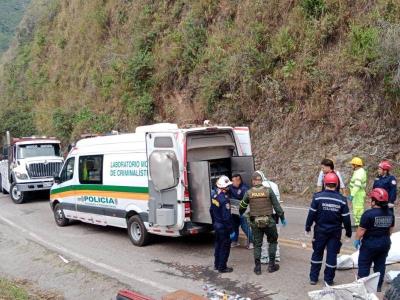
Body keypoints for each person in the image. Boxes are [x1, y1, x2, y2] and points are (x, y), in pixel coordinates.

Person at [305, 172, 352, 285]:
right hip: (335, 232)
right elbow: (346, 218)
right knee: (332, 255)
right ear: (336, 184)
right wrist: (348, 233)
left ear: (324, 183)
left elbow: (311, 214)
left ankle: (313, 278)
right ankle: (329, 280)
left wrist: (307, 227)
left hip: (320, 231)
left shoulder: (317, 197)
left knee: (317, 253)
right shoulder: (342, 200)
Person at [239, 171, 286, 275]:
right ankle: (271, 266)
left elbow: (242, 206)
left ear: (252, 182)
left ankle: (257, 267)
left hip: (255, 222)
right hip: (269, 221)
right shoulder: (268, 191)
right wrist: (282, 218)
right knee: (272, 242)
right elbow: (277, 206)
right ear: (261, 181)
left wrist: (241, 213)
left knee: (257, 245)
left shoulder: (249, 192)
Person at [354, 188, 395, 292]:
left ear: (374, 201)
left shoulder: (368, 214)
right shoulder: (390, 213)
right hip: (385, 243)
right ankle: (377, 287)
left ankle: (362, 287)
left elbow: (361, 230)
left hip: (370, 244)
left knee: (364, 264)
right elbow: (390, 229)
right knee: (380, 265)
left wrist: (357, 239)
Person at [210, 175, 235, 273]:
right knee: (225, 246)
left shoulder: (214, 196)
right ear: (224, 187)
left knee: (218, 245)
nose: (229, 188)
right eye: (227, 186)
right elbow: (226, 217)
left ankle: (217, 265)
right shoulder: (224, 200)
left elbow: (211, 210)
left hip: (217, 225)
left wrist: (214, 222)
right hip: (223, 227)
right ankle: (222, 267)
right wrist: (232, 230)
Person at [229, 174, 253, 249]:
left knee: (244, 226)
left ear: (238, 181)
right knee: (234, 225)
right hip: (234, 210)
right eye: (232, 181)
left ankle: (252, 242)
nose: (232, 182)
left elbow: (246, 201)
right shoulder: (230, 187)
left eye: (233, 181)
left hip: (243, 210)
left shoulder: (244, 188)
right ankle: (234, 241)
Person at [348, 157, 367, 227]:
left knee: (358, 209)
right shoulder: (359, 171)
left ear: (356, 165)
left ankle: (359, 224)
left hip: (358, 193)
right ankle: (357, 223)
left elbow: (357, 185)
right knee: (357, 208)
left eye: (352, 164)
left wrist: (352, 195)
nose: (351, 166)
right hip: (357, 193)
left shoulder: (359, 173)